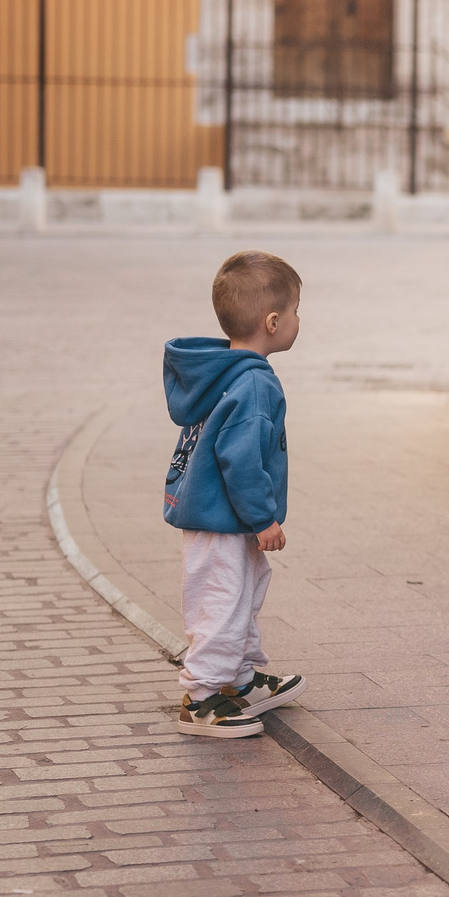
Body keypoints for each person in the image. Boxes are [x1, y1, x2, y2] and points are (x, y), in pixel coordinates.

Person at [162, 250, 310, 738]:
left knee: (240, 596)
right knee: (221, 604)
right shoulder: (252, 384)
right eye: (294, 312)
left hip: (222, 518)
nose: (297, 321)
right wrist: (263, 517)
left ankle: (239, 681)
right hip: (224, 518)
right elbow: (240, 459)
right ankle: (202, 698)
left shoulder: (226, 371)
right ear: (272, 321)